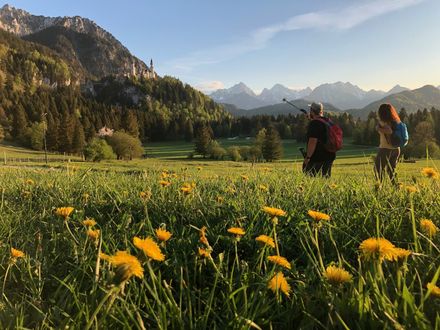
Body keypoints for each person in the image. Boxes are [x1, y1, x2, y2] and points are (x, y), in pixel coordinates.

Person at [303, 102, 336, 177]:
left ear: (312, 111)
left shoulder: (314, 124)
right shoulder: (328, 121)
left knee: (309, 178)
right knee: (325, 179)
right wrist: (312, 120)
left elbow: (312, 141)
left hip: (318, 157)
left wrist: (308, 157)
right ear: (321, 111)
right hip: (330, 155)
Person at [374, 103, 401, 183]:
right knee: (391, 171)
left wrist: (379, 129)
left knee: (377, 169)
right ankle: (396, 189)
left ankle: (379, 189)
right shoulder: (396, 121)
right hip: (396, 149)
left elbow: (389, 131)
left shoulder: (383, 122)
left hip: (385, 149)